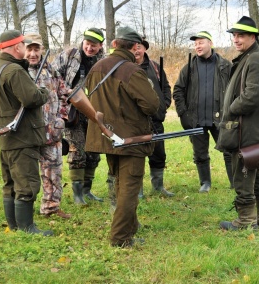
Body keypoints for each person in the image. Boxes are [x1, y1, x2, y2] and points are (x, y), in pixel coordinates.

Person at [85, 26, 159, 248]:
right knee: (129, 188)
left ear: (115, 44)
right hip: (130, 139)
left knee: (119, 184)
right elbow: (152, 105)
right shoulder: (131, 71)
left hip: (106, 137)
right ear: (135, 46)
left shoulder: (97, 67)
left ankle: (129, 227)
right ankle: (120, 238)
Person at [0, 30, 53, 235]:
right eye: (23, 45)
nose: (25, 49)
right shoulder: (15, 71)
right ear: (16, 46)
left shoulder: (0, 68)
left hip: (8, 136)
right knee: (26, 183)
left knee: (10, 183)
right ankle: (27, 228)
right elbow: (31, 98)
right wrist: (44, 92)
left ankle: (15, 226)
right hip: (22, 136)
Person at [217, 16, 259, 230]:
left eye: (241, 35)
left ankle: (246, 221)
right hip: (250, 127)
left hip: (247, 129)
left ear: (253, 36)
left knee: (242, 172)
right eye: (234, 35)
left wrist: (231, 108)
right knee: (255, 169)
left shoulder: (255, 59)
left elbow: (253, 96)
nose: (236, 39)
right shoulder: (250, 57)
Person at [173, 31, 233, 192]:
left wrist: (231, 112)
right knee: (200, 154)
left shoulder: (225, 66)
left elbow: (234, 90)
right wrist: (183, 114)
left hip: (220, 118)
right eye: (195, 44)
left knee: (229, 150)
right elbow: (178, 91)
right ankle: (205, 183)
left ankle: (235, 182)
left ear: (210, 44)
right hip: (196, 119)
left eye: (201, 42)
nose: (197, 46)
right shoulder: (189, 68)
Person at [52, 28, 105, 205]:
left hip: (94, 111)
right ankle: (77, 195)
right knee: (77, 150)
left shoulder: (103, 61)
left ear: (100, 46)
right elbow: (52, 76)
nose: (89, 48)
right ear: (83, 42)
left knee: (94, 151)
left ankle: (87, 190)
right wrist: (64, 96)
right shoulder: (68, 55)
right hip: (72, 111)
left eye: (94, 46)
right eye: (87, 44)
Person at [25, 33, 71, 219]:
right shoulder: (18, 72)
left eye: (37, 49)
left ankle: (51, 207)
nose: (33, 54)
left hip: (52, 133)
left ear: (42, 50)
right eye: (29, 49)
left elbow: (64, 95)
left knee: (53, 172)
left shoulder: (51, 71)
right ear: (23, 50)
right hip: (27, 134)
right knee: (26, 175)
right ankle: (23, 210)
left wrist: (61, 119)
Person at [134, 39, 174, 197]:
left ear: (145, 48)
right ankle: (138, 191)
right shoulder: (125, 67)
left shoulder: (155, 67)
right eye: (134, 47)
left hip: (156, 119)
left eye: (140, 47)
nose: (137, 50)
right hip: (136, 121)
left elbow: (166, 87)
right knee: (137, 155)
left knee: (158, 153)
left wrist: (164, 104)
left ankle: (158, 187)